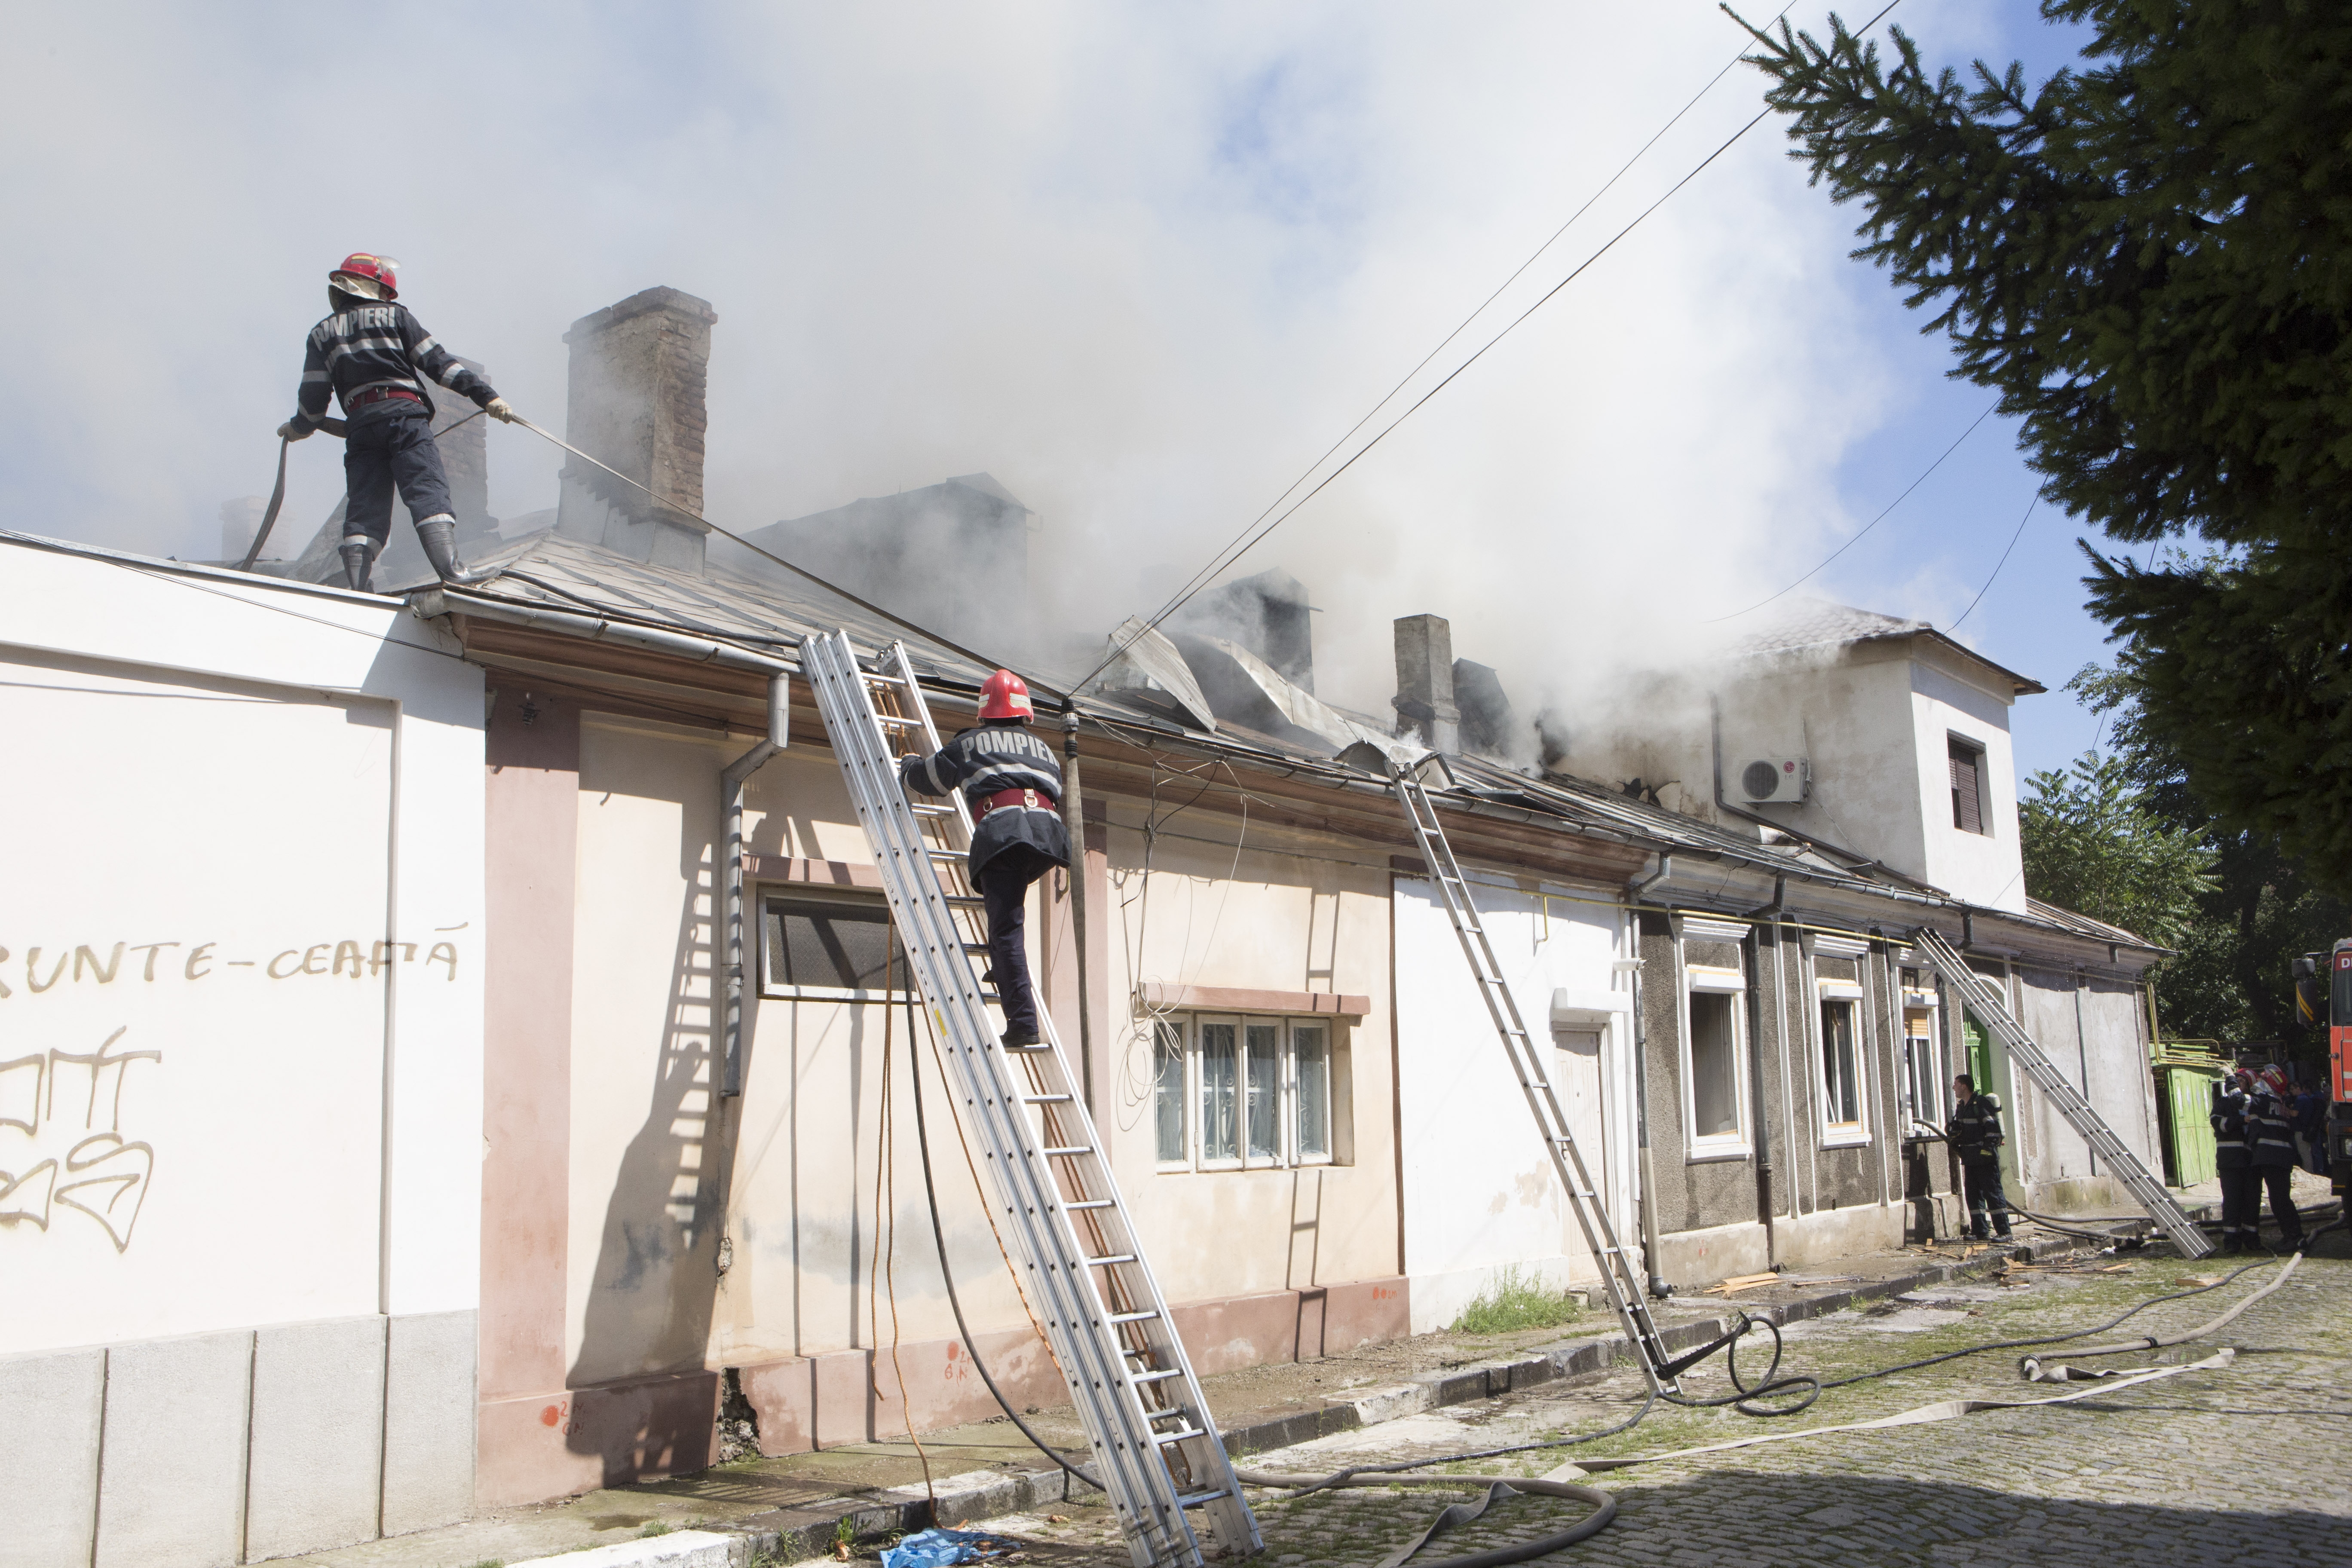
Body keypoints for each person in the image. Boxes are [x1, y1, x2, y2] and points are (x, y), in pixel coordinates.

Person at [278, 252, 517, 591]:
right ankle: (452, 572)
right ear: (377, 289)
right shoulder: (397, 317)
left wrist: (298, 428)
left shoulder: (320, 335)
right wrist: (488, 398)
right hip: (405, 418)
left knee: (364, 508)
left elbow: (313, 402)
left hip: (361, 429)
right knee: (426, 489)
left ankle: (358, 587)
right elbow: (441, 366)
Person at [898, 669, 1069, 1047]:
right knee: (1006, 916)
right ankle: (1006, 970)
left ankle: (1023, 1024)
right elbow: (1055, 791)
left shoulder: (970, 744)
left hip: (1005, 835)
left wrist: (908, 764)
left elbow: (929, 782)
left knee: (1006, 930)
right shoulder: (1046, 751)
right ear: (1026, 713)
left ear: (982, 713)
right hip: (1047, 838)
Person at [2246, 1066, 2306, 1252]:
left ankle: (2295, 1238)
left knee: (2280, 1201)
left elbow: (2239, 1099)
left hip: (2272, 1157)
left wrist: (2230, 1079)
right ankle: (2291, 1236)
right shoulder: (2279, 1104)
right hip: (2279, 1158)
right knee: (2280, 1200)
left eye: (2262, 1080)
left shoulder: (2264, 1102)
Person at [1947, 1074, 2012, 1241]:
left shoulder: (1980, 1104)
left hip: (1985, 1159)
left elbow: (1992, 1129)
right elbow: (1963, 1130)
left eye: (1956, 1084)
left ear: (1965, 1086)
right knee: (1973, 1195)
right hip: (1970, 1158)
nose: (1954, 1087)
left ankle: (2005, 1232)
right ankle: (1980, 1231)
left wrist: (1987, 1151)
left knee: (1993, 1194)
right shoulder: (1962, 1107)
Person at [2211, 1069, 2258, 1255]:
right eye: (2236, 1081)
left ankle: (2252, 1239)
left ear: (2250, 1085)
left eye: (2243, 1082)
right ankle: (2232, 1242)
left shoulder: (2254, 1103)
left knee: (2252, 1201)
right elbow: (2220, 1124)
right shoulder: (2222, 1103)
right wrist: (2240, 1120)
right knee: (2231, 1202)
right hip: (2230, 1161)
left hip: (2252, 1162)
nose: (2238, 1085)